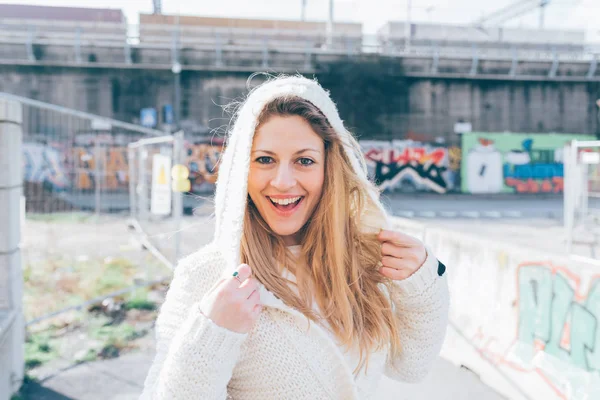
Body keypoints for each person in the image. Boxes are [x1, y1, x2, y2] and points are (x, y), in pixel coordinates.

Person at [140, 75, 449, 399]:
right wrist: (210, 334)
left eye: (304, 161)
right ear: (241, 169)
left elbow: (411, 367)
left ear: (330, 168)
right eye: (265, 160)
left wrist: (425, 285)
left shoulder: (362, 261)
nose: (283, 181)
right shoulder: (204, 277)